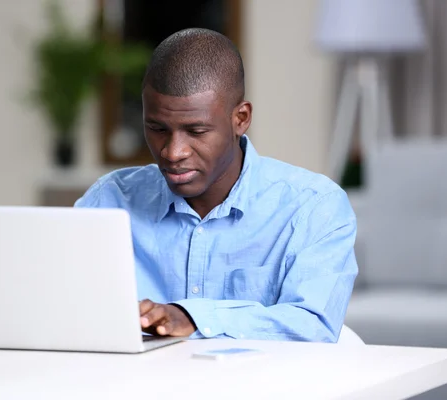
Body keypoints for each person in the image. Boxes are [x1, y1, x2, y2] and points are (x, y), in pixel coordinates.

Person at [75, 28, 358, 342]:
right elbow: (62, 304)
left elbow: (313, 326)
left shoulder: (313, 207)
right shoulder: (109, 200)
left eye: (196, 131)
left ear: (241, 118)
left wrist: (193, 319)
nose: (172, 151)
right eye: (157, 128)